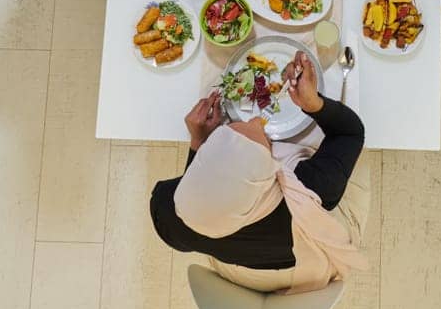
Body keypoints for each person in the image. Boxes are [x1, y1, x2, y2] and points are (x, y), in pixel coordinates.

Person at [150, 52, 368, 294]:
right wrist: (313, 104)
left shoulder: (167, 210)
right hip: (302, 260)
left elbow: (205, 195)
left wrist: (197, 141)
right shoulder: (312, 189)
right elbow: (351, 133)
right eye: (264, 142)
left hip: (241, 272)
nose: (255, 120)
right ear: (266, 176)